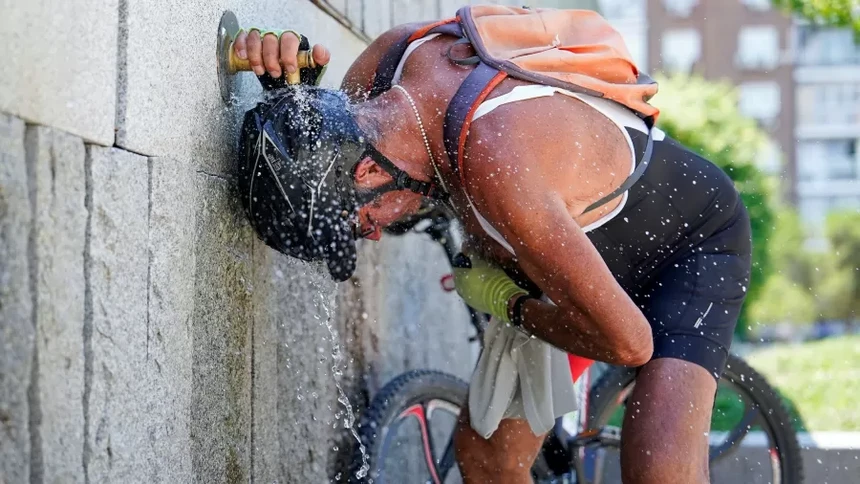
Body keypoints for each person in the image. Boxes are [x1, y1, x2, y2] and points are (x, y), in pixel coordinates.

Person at [232, 9, 751, 483]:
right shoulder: (385, 69)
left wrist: (506, 302)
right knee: (487, 460)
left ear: (368, 171)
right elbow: (330, 132)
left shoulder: (497, 164)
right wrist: (291, 99)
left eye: (361, 221)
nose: (371, 234)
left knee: (657, 470)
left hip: (688, 242)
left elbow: (628, 343)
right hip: (556, 260)